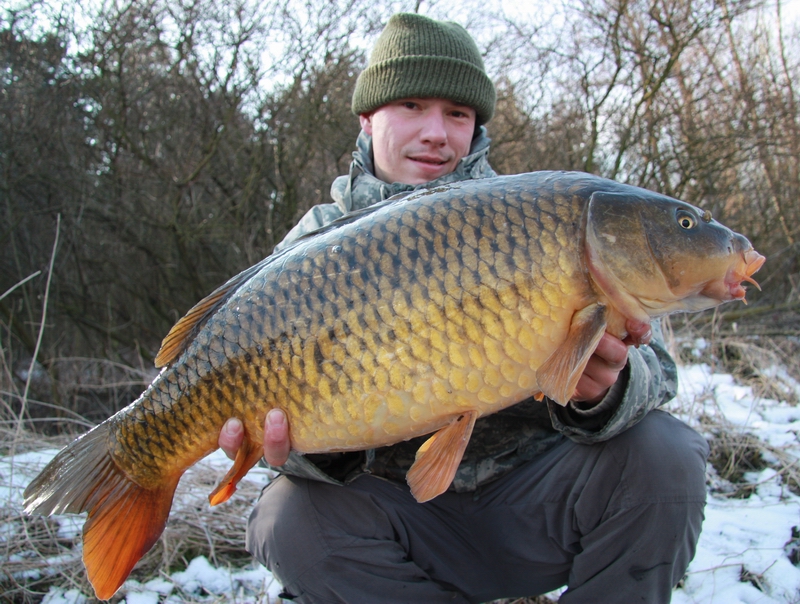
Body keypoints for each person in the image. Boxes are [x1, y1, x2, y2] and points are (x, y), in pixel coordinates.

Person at [218, 13, 708, 603]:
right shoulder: (311, 249)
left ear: (476, 126)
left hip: (535, 508)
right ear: (368, 117)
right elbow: (285, 446)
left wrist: (606, 390)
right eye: (412, 106)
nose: (437, 132)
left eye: (458, 113)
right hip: (401, 525)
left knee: (666, 455)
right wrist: (312, 451)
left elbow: (659, 374)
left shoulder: (535, 215)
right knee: (287, 517)